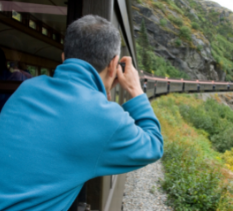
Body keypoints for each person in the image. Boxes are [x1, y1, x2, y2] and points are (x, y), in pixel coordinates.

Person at [0, 15, 162, 210]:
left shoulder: (27, 88)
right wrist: (136, 91)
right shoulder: (105, 116)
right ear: (113, 65)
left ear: (63, 58)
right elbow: (154, 146)